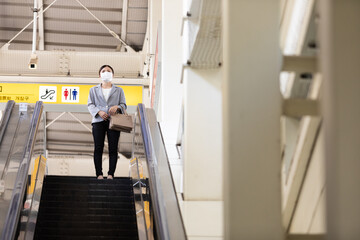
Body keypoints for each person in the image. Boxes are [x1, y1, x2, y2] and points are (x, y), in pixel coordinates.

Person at [87, 65, 127, 179]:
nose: (106, 72)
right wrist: (98, 112)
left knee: (113, 148)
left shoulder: (119, 90)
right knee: (98, 148)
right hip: (98, 121)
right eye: (103, 71)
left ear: (112, 74)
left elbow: (124, 105)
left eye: (108, 71)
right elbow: (90, 104)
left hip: (114, 121)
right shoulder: (93, 90)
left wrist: (117, 107)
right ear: (99, 75)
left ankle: (111, 174)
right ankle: (99, 174)